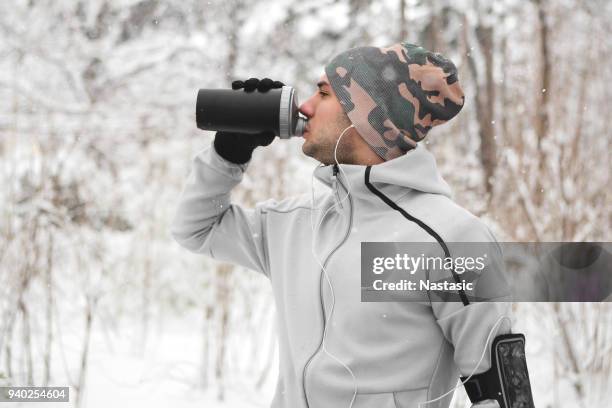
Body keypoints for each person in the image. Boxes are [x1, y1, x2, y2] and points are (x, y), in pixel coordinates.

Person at [171, 43, 533, 408]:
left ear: (368, 115)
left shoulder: (451, 239)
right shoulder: (293, 224)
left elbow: (504, 398)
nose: (305, 107)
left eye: (324, 92)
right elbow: (196, 228)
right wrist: (228, 154)